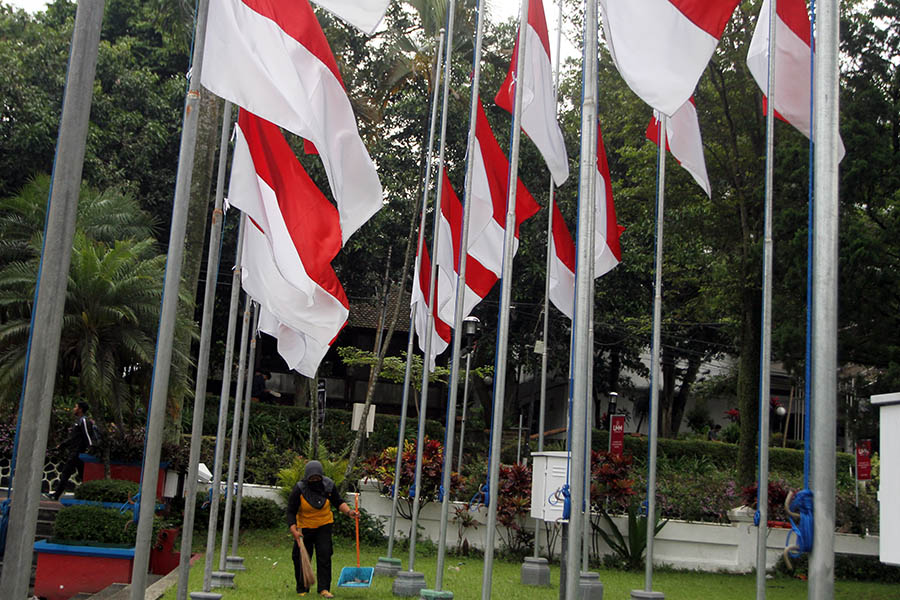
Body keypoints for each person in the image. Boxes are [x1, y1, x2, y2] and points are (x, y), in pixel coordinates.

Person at [286, 460, 358, 597]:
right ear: (307, 477)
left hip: (324, 525)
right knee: (300, 557)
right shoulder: (299, 489)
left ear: (321, 476)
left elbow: (338, 502)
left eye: (317, 478)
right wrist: (294, 530)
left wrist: (349, 512)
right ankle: (302, 589)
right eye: (311, 478)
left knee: (324, 555)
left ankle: (324, 589)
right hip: (304, 528)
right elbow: (291, 511)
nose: (315, 480)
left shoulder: (328, 485)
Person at [50, 401, 95, 500]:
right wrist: (62, 445)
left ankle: (56, 495)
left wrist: (90, 448)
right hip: (75, 452)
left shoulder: (83, 421)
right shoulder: (78, 421)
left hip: (77, 453)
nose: (74, 409)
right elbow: (73, 438)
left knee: (66, 473)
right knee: (82, 476)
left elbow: (87, 436)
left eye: (75, 407)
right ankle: (89, 495)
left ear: (80, 409)